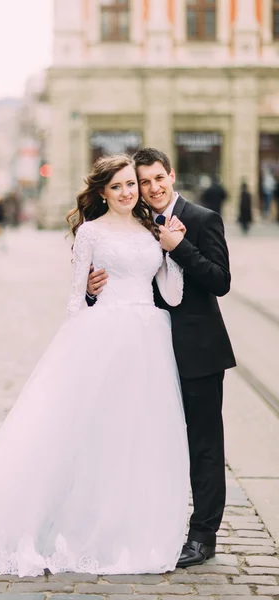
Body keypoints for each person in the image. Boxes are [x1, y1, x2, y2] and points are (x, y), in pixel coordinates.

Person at [0, 154, 190, 576]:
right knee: (89, 431)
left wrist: (174, 251)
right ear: (101, 193)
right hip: (103, 338)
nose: (128, 192)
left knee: (135, 434)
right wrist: (78, 353)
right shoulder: (91, 233)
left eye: (131, 184)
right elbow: (77, 299)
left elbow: (172, 294)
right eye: (116, 187)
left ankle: (124, 521)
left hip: (147, 339)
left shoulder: (153, 230)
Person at [87, 148, 236, 568]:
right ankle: (151, 524)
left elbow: (221, 281)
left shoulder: (203, 218)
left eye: (158, 179)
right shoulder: (134, 222)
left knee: (204, 445)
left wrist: (180, 246)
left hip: (198, 353)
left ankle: (203, 535)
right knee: (150, 441)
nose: (151, 188)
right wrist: (90, 290)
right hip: (147, 353)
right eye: (143, 181)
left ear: (171, 176)